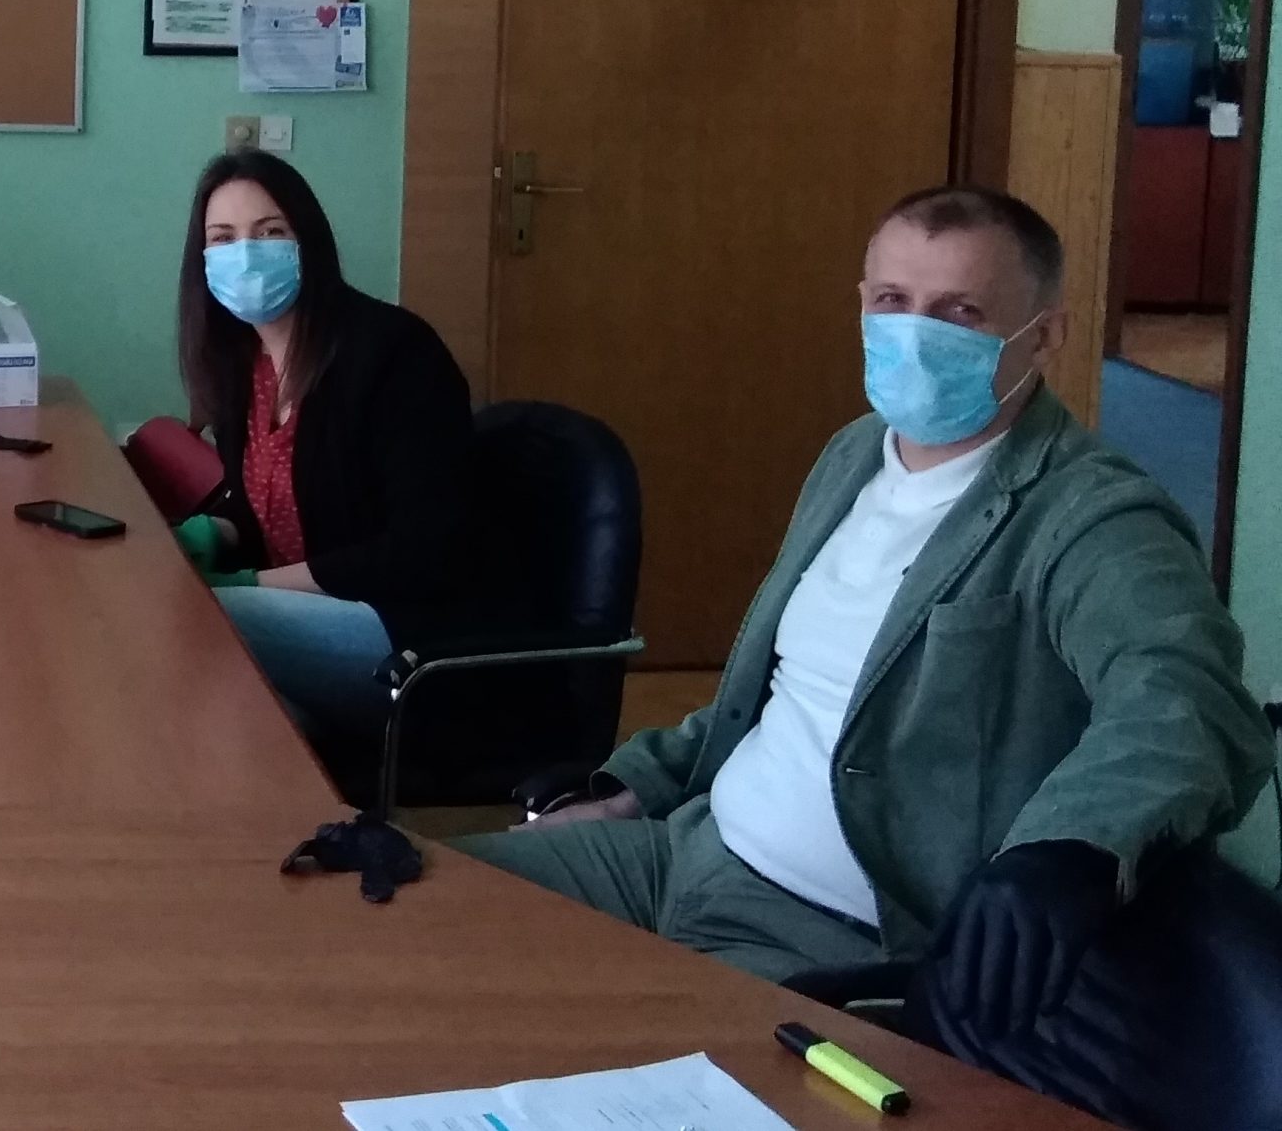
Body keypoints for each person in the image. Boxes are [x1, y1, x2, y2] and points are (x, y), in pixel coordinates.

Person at [450, 187, 1270, 1026]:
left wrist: (1070, 847)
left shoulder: (1090, 516)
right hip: (679, 853)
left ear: (1045, 335)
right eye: (892, 301)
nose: (916, 334)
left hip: (826, 938)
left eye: (959, 312)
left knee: (563, 1059)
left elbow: (1187, 694)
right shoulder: (855, 455)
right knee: (401, 898)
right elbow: (784, 693)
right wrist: (632, 788)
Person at [167, 148, 473, 765]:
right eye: (222, 239)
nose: (245, 254)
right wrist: (213, 533)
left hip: (404, 635)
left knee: (189, 619)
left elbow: (422, 548)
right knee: (236, 713)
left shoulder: (394, 353)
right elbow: (268, 504)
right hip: (309, 619)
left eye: (269, 232)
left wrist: (253, 584)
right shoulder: (244, 365)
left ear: (309, 241)